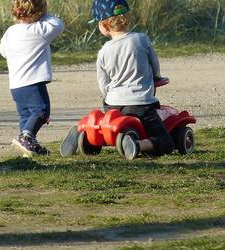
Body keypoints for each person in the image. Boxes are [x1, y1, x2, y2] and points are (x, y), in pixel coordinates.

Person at [60, 0, 174, 160]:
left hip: (112, 104)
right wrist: (156, 77)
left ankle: (84, 133)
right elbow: (154, 63)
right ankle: (137, 144)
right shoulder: (141, 40)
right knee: (166, 141)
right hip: (140, 104)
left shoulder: (103, 51)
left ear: (104, 27)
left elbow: (103, 84)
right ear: (128, 17)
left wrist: (110, 94)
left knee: (107, 121)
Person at [0, 0, 64, 157]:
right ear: (39, 13)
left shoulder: (11, 31)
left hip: (16, 84)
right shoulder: (39, 30)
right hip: (33, 82)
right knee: (41, 111)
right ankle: (27, 137)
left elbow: (3, 51)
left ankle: (28, 147)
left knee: (26, 115)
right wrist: (44, 14)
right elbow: (58, 24)